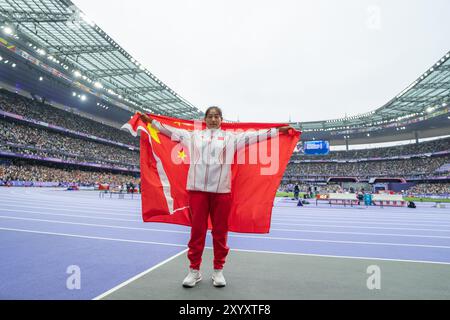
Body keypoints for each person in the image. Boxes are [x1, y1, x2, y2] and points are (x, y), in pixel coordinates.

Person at [137, 107, 293, 288]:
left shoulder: (232, 138)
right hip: (197, 191)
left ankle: (218, 270)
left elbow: (256, 135)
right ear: (205, 119)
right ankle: (194, 271)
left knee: (220, 233)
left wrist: (276, 131)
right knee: (197, 232)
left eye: (216, 116)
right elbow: (168, 130)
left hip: (221, 192)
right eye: (210, 116)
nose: (213, 119)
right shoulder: (192, 136)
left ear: (221, 119)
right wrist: (150, 122)